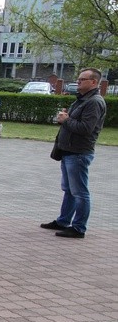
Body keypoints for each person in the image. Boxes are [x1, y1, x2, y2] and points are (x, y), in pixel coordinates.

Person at [41, 67, 105, 239]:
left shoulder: (94, 102)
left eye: (82, 80)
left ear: (93, 82)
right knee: (69, 189)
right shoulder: (82, 100)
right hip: (69, 151)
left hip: (79, 152)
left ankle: (78, 227)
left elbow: (86, 129)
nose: (78, 82)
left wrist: (66, 120)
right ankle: (63, 221)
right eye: (78, 79)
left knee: (79, 192)